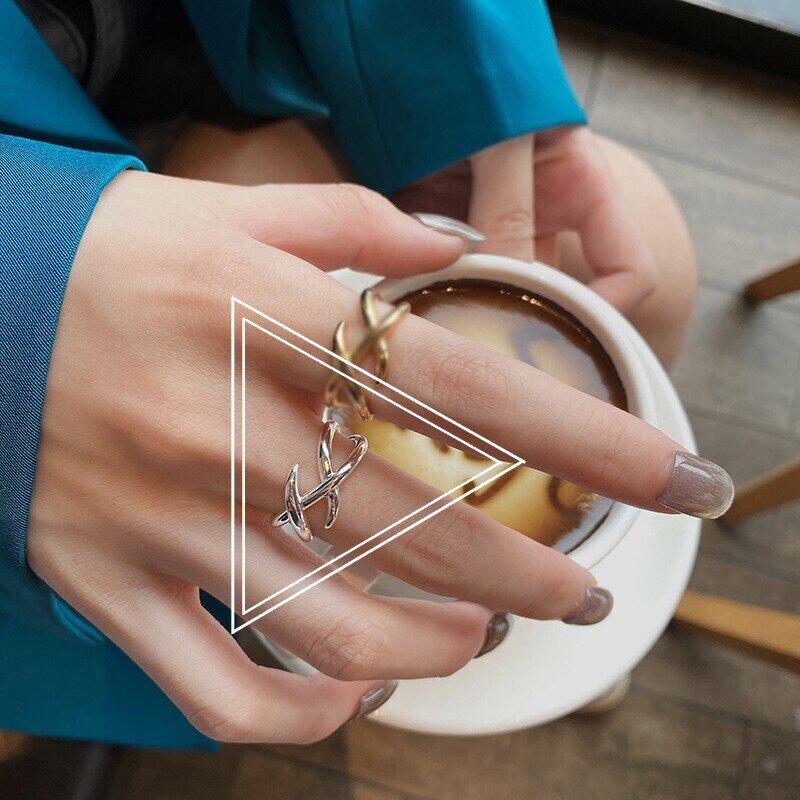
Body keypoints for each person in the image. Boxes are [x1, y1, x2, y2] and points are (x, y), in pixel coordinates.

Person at [0, 0, 730, 747]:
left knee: (655, 257)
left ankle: (526, 601)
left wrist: (466, 77)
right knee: (211, 506)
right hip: (37, 155)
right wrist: (23, 308)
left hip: (229, 45)